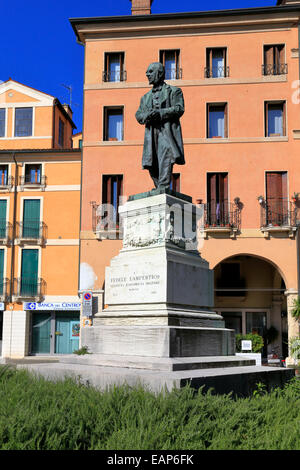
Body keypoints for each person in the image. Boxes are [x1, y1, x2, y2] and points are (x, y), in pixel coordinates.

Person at [135, 62, 185, 189]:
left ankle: (163, 186)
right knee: (150, 161)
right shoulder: (145, 97)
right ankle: (159, 187)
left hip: (166, 131)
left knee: (166, 156)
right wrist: (147, 116)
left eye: (150, 71)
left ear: (160, 73)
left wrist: (160, 113)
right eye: (147, 72)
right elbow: (138, 115)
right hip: (151, 133)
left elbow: (179, 108)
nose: (147, 74)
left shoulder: (174, 91)